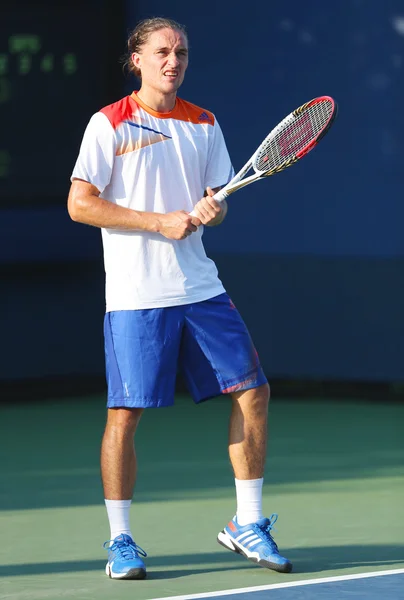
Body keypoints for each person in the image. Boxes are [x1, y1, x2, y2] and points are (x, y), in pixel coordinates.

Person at [68, 17, 292, 580]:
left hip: (200, 288)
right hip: (135, 293)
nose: (174, 62)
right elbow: (80, 204)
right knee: (125, 415)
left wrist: (213, 210)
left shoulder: (205, 123)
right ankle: (120, 541)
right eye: (163, 52)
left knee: (253, 392)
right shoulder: (109, 124)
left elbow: (215, 200)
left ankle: (247, 523)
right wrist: (156, 222)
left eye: (182, 53)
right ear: (136, 59)